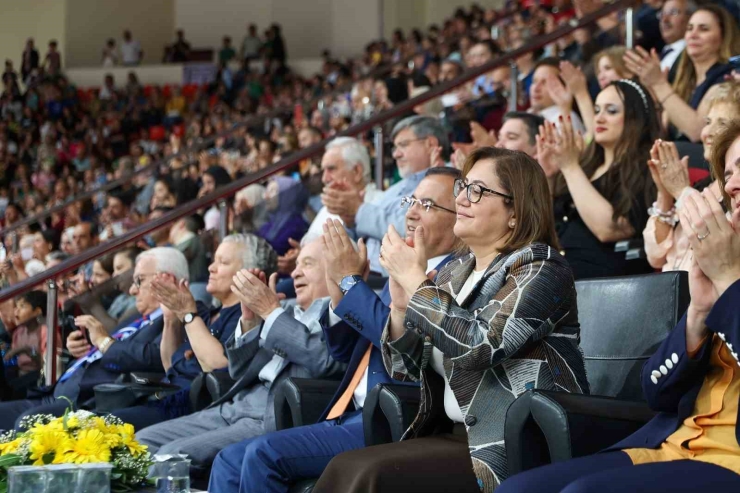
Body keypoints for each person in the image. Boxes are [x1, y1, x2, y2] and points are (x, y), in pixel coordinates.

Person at [313, 147, 588, 493]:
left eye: (478, 191)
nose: (463, 199)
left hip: (511, 444)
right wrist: (400, 307)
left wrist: (416, 283)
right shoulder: (455, 272)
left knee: (370, 474)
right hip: (453, 436)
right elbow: (405, 368)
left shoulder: (542, 268)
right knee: (350, 466)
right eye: (463, 187)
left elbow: (480, 345)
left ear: (515, 212)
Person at [497, 119, 740, 493]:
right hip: (670, 445)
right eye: (728, 172)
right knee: (518, 489)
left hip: (731, 461)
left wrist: (728, 283)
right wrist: (697, 317)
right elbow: (656, 393)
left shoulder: (726, 268)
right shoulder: (723, 263)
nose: (732, 183)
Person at [208, 167, 463, 492]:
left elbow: (400, 344)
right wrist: (337, 288)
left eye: (426, 205)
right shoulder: (404, 262)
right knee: (230, 460)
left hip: (392, 415)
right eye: (412, 200)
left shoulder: (453, 273)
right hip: (347, 409)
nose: (411, 211)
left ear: (459, 216)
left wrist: (350, 282)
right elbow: (344, 351)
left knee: (263, 453)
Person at [136, 237, 342, 471]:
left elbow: (324, 361)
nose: (295, 273)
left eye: (308, 264)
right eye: (296, 266)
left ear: (335, 271)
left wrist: (270, 312)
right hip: (236, 404)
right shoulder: (285, 307)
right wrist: (250, 321)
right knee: (141, 442)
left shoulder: (339, 314)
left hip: (271, 416)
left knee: (169, 459)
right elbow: (238, 371)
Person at [0, 247, 183, 430]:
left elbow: (156, 356)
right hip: (55, 392)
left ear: (167, 278)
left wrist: (103, 342)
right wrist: (83, 349)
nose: (133, 290)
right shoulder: (133, 317)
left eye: (139, 281)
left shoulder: (178, 318)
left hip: (88, 400)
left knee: (27, 422)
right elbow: (108, 346)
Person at [112, 234, 271, 430]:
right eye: (214, 260)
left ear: (248, 273)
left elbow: (219, 367)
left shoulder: (246, 317)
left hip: (193, 409)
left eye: (223, 262)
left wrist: (187, 314)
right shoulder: (206, 312)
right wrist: (171, 318)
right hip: (162, 396)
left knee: (99, 426)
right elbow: (170, 365)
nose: (211, 268)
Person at [541, 80, 659, 279]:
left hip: (601, 283)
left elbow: (611, 229)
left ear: (635, 119)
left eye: (611, 111)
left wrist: (569, 168)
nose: (599, 118)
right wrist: (550, 177)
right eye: (596, 110)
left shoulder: (648, 168)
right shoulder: (585, 165)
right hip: (554, 275)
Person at [322, 115, 448, 274]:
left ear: (431, 143)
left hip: (391, 280)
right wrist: (350, 219)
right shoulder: (395, 188)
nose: (396, 154)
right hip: (367, 273)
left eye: (403, 145)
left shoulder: (449, 183)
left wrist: (358, 210)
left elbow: (411, 229)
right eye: (395, 147)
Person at [643, 82, 739, 272]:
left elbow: (718, 249)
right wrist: (665, 194)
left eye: (722, 124)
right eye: (708, 122)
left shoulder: (734, 192)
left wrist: (680, 191)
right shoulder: (700, 188)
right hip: (667, 290)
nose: (707, 133)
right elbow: (655, 256)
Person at [624, 4, 740, 142]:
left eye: (703, 29)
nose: (693, 35)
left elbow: (697, 131)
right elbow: (661, 135)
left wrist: (659, 84)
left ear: (724, 36)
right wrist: (654, 100)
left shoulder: (728, 76)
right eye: (689, 28)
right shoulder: (683, 79)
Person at [529, 58, 586, 133]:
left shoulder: (568, 117)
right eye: (534, 81)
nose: (536, 88)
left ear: (564, 87)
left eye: (544, 82)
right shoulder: (528, 114)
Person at [257, 177, 309, 256]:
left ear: (288, 195)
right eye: (266, 191)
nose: (265, 196)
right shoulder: (270, 224)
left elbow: (271, 249)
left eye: (272, 191)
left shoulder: (296, 226)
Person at [657, 0, 694, 71]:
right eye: (662, 14)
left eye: (673, 12)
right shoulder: (661, 53)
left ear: (690, 18)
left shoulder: (692, 53)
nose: (665, 19)